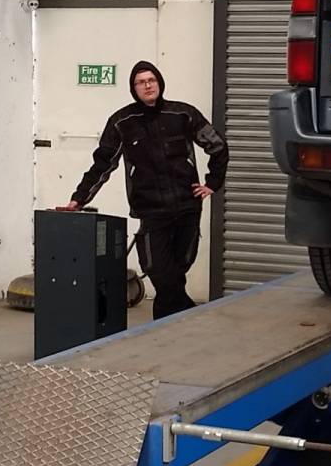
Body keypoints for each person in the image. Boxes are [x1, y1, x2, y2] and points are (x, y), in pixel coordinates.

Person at [67, 61, 229, 319]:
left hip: (187, 206)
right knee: (159, 271)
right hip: (152, 211)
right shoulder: (122, 122)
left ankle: (171, 327)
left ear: (159, 83)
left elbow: (217, 145)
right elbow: (102, 164)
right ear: (134, 89)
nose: (147, 86)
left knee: (179, 269)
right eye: (140, 82)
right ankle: (184, 318)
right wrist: (79, 198)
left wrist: (212, 183)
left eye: (151, 80)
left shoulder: (183, 114)